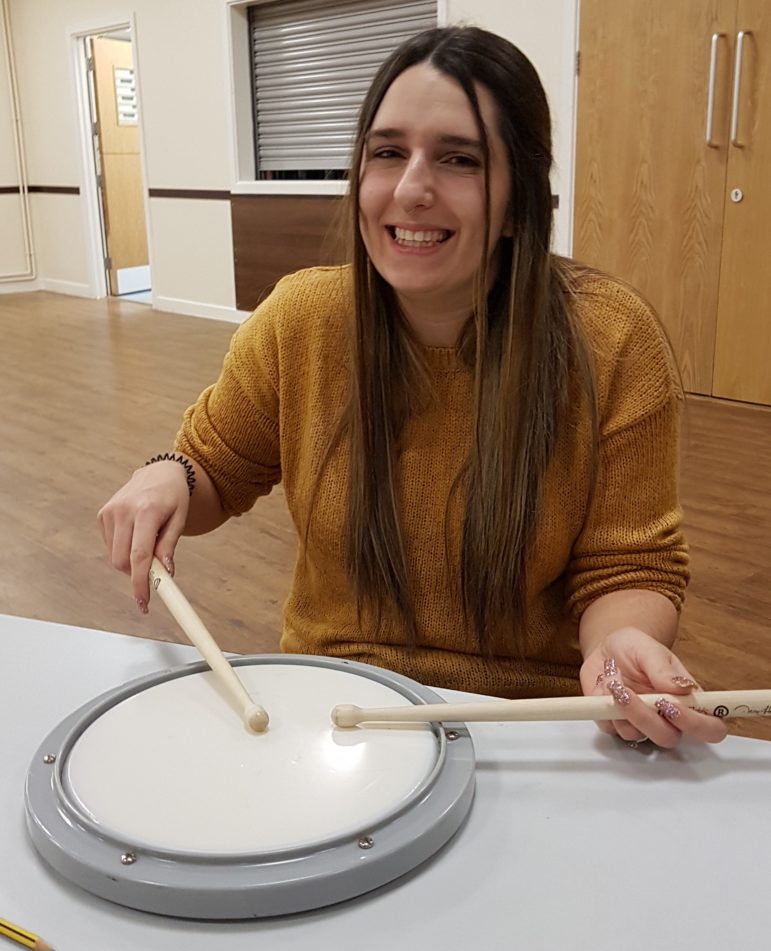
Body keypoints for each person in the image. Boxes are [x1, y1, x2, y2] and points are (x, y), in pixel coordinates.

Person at [98, 26, 726, 749]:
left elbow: (629, 563)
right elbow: (211, 468)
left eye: (458, 159)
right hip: (333, 713)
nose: (410, 188)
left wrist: (618, 648)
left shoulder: (612, 339)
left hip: (526, 726)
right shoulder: (298, 320)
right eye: (387, 153)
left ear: (520, 197)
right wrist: (166, 476)